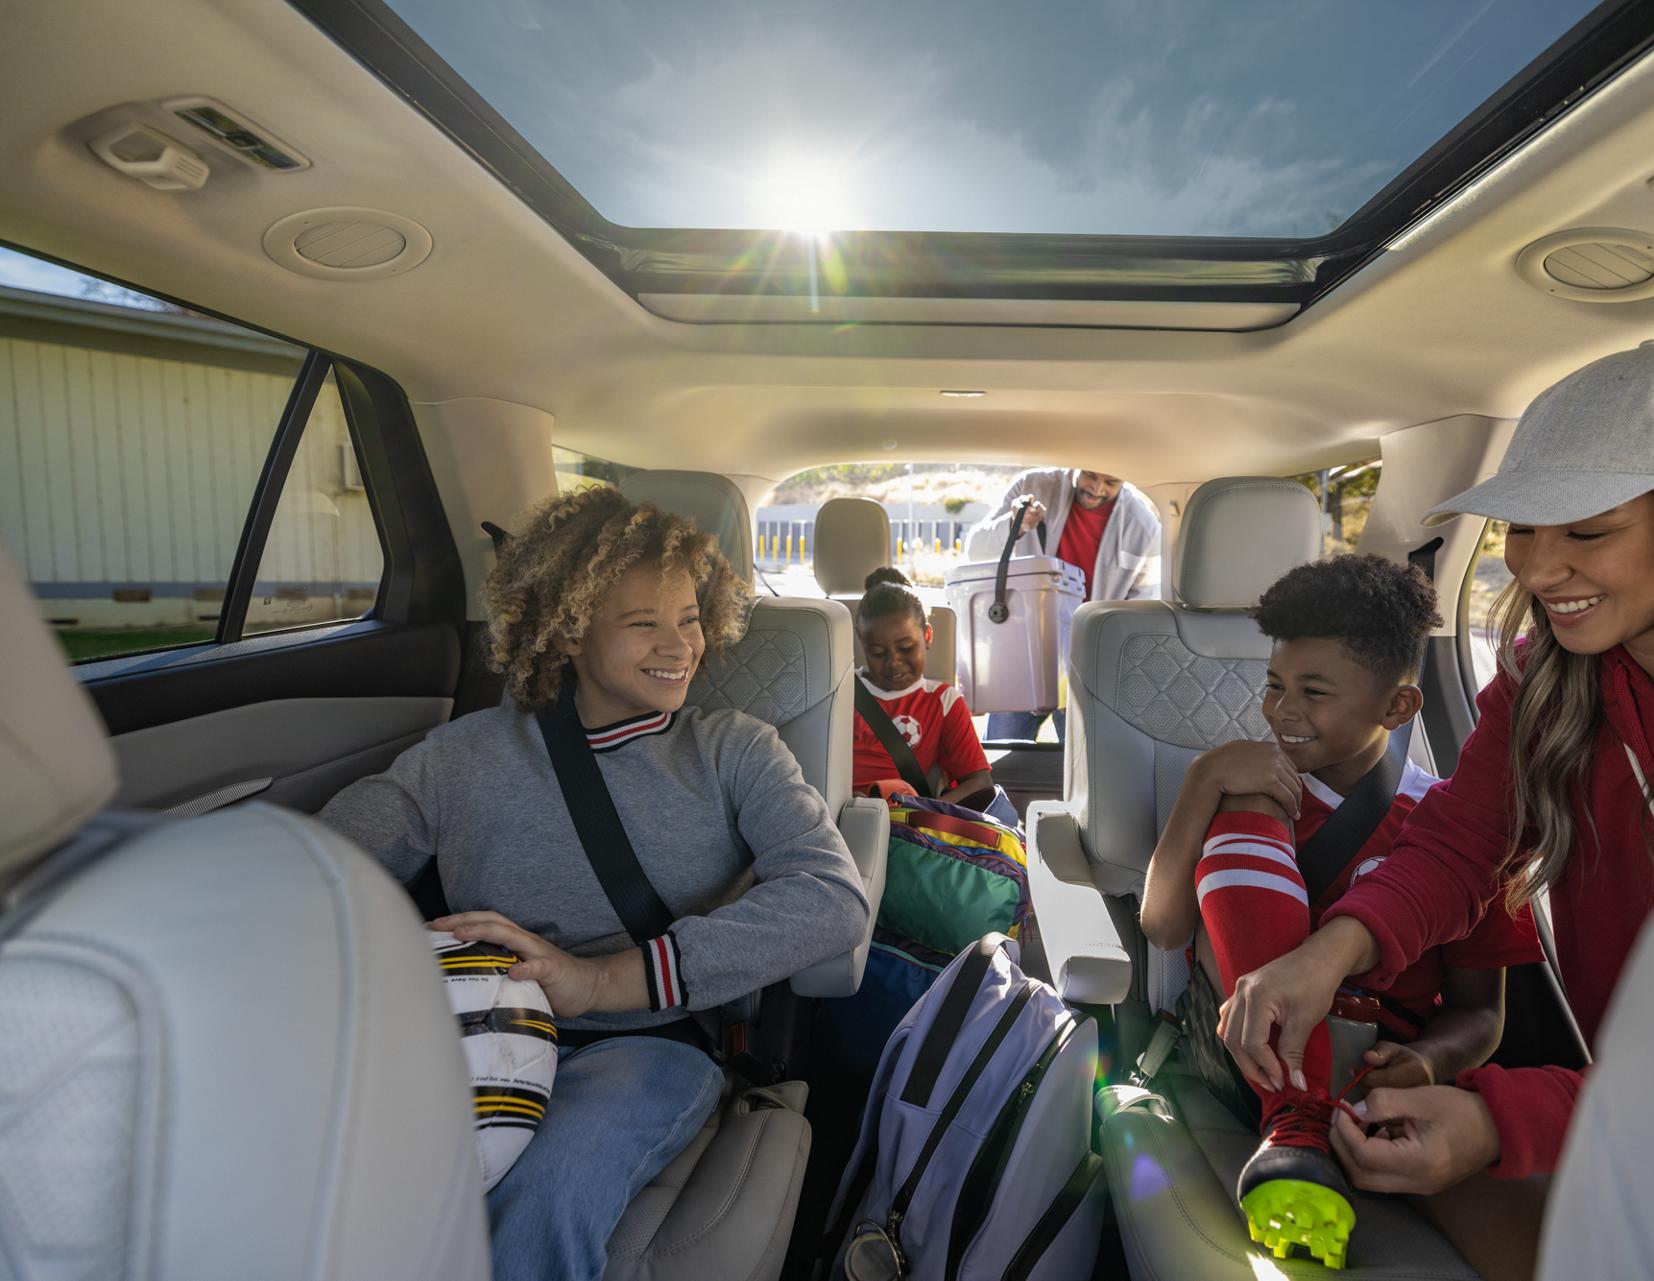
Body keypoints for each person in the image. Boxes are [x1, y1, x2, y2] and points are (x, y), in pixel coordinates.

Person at [1213, 340, 1654, 1278]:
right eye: (1522, 527)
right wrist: (1324, 954)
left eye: (1586, 530)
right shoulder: (1552, 677)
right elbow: (1466, 842)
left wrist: (1512, 1119)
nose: (1540, 569)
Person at [318, 487, 870, 1281]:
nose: (680, 644)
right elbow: (331, 858)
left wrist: (602, 979)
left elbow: (832, 899)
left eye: (689, 617)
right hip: (469, 1035)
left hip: (641, 1045)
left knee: (545, 1196)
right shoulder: (459, 757)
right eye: (643, 622)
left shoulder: (736, 751)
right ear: (568, 629)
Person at [1139, 553, 1540, 1268]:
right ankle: (1293, 1119)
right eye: (1274, 685)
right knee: (1249, 804)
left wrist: (1425, 1062)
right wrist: (1203, 780)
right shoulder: (1245, 791)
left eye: (1313, 692)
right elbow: (1164, 926)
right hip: (1247, 1056)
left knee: (1543, 1246)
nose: (1281, 710)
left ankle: (1317, 1130)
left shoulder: (1452, 833)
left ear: (1398, 708)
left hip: (1378, 1080)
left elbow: (1483, 1013)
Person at [967, 466, 1162, 740]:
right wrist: (1014, 525)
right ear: (1075, 462)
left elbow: (1142, 607)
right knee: (999, 756)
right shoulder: (1031, 486)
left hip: (1088, 666)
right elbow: (974, 550)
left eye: (1111, 482)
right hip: (1022, 655)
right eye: (1090, 475)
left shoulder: (1144, 526)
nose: (1096, 489)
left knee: (1081, 769)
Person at [852, 566, 994, 805]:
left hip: (905, 823)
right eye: (877, 652)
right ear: (862, 642)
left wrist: (923, 812)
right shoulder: (839, 691)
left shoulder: (944, 702)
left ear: (927, 636)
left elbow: (979, 781)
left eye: (906, 648)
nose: (894, 662)